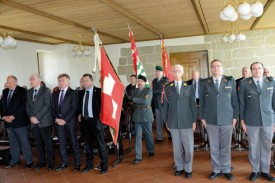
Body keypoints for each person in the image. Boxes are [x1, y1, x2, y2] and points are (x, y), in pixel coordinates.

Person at [199, 59, 239, 180]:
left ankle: (226, 168)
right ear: (211, 69)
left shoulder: (230, 81)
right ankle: (216, 169)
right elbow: (202, 101)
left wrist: (235, 117)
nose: (216, 68)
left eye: (218, 66)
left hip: (227, 119)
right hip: (210, 119)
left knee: (226, 146)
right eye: (213, 66)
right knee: (214, 146)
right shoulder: (205, 83)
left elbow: (235, 101)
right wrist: (202, 118)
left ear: (222, 68)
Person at [239, 62, 275, 181]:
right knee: (253, 147)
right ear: (251, 71)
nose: (257, 71)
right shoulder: (244, 83)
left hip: (268, 120)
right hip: (251, 121)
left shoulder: (271, 82)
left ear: (262, 69)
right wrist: (242, 120)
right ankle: (255, 170)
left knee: (266, 146)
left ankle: (265, 171)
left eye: (259, 68)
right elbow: (241, 104)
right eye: (254, 69)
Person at [163, 64, 197, 179]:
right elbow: (165, 106)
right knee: (176, 147)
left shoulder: (189, 86)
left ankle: (188, 168)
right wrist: (166, 120)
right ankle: (179, 167)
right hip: (173, 121)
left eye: (179, 70)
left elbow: (193, 105)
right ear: (171, 73)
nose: (176, 72)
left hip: (187, 121)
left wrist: (194, 121)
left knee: (189, 148)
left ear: (182, 72)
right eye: (174, 70)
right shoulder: (167, 87)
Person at [0, 75, 33, 168]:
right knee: (13, 142)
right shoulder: (5, 91)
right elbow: (2, 105)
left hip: (19, 121)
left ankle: (29, 161)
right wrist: (4, 116)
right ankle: (15, 160)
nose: (8, 84)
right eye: (7, 82)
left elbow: (23, 106)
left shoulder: (22, 91)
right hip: (8, 122)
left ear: (15, 82)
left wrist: (14, 116)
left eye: (10, 82)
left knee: (24, 142)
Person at [78, 73, 108, 174]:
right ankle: (89, 164)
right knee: (87, 144)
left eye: (87, 81)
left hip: (96, 121)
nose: (85, 83)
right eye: (83, 81)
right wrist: (79, 114)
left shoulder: (99, 92)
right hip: (85, 122)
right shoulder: (81, 93)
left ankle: (104, 165)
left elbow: (104, 107)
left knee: (100, 144)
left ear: (92, 81)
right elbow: (79, 107)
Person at [52, 74, 81, 171]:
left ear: (68, 81)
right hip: (58, 122)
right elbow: (52, 109)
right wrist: (56, 119)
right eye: (59, 80)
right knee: (62, 143)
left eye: (62, 80)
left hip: (70, 122)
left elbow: (74, 109)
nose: (60, 82)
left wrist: (65, 120)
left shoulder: (73, 93)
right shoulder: (55, 94)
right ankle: (64, 163)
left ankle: (77, 163)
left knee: (74, 142)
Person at [26, 73, 55, 170]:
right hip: (33, 122)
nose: (31, 81)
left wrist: (37, 117)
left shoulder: (46, 91)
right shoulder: (29, 92)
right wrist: (31, 117)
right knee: (38, 143)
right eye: (30, 79)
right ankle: (41, 161)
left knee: (47, 143)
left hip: (44, 121)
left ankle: (51, 162)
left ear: (39, 80)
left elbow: (47, 106)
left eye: (33, 79)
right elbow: (27, 106)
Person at [132, 75, 154, 164]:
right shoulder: (135, 91)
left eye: (141, 81)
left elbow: (145, 101)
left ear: (145, 83)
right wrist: (136, 101)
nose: (139, 83)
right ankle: (138, 156)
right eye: (139, 81)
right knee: (138, 136)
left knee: (148, 134)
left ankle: (151, 149)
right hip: (137, 115)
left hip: (146, 115)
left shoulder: (148, 90)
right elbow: (134, 103)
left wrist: (134, 99)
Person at [152, 66, 169, 143]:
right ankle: (160, 137)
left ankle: (170, 135)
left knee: (166, 120)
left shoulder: (165, 79)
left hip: (164, 103)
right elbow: (153, 91)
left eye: (159, 72)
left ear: (162, 72)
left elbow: (164, 90)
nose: (157, 73)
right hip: (156, 103)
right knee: (158, 121)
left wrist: (157, 91)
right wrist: (158, 91)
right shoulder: (154, 81)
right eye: (156, 72)